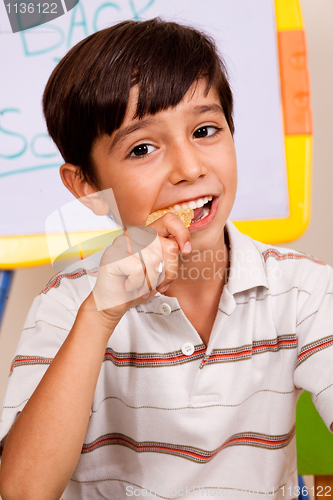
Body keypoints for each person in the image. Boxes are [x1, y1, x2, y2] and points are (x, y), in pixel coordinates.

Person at [0, 17, 333, 500]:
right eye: (142, 148)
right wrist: (99, 316)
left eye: (205, 130)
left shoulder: (305, 289)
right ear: (87, 186)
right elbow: (23, 491)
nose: (191, 167)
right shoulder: (68, 302)